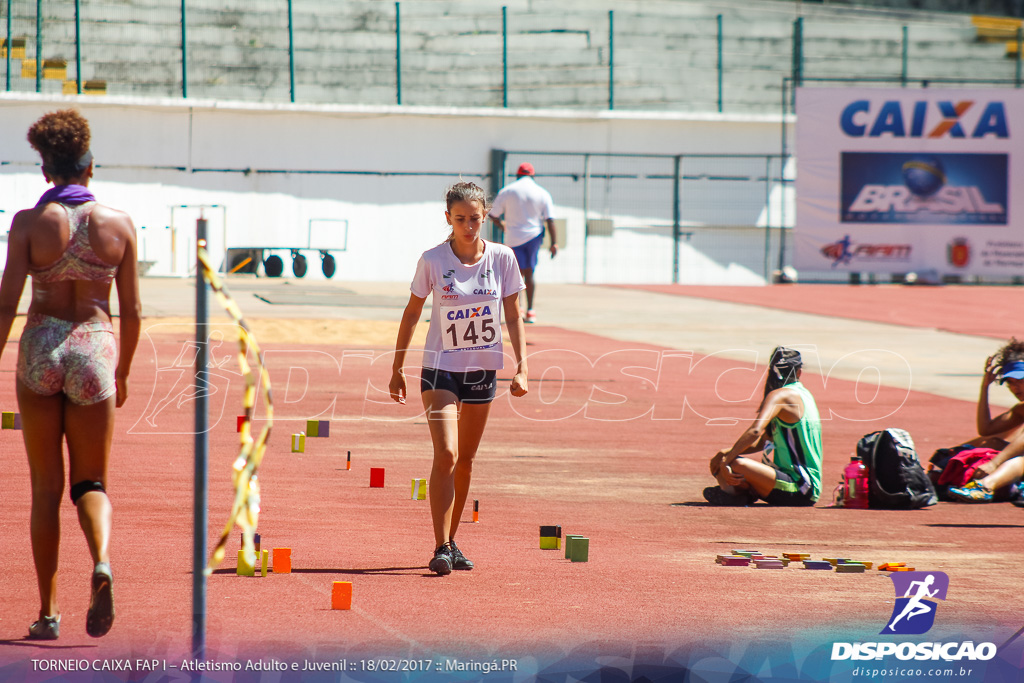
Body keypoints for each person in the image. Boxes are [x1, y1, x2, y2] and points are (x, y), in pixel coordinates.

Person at [0, 109, 141, 640]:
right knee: (91, 482)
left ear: (45, 171)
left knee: (44, 489)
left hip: (40, 347)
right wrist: (122, 370)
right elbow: (132, 309)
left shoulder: (29, 224)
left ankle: (48, 613)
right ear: (90, 166)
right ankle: (101, 559)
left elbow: (6, 304)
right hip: (95, 350)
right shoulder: (120, 224)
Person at [389, 181, 528, 575]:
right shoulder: (433, 260)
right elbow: (412, 312)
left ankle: (452, 541)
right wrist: (397, 367)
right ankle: (440, 545)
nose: (468, 226)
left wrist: (523, 366)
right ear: (448, 218)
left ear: (486, 217)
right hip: (439, 370)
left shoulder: (502, 258)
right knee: (447, 453)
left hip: (484, 370)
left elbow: (514, 314)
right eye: (460, 218)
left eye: (475, 219)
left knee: (466, 460)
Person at [704, 347, 823, 507]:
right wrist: (725, 454)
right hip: (800, 486)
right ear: (799, 372)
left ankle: (734, 493)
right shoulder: (803, 394)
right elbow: (762, 442)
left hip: (800, 487)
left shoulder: (781, 395)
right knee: (725, 458)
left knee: (736, 464)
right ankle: (740, 493)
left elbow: (755, 431)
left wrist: (727, 461)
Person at [945, 340, 1024, 503]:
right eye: (1011, 383)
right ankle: (943, 467)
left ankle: (985, 487)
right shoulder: (1020, 409)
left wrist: (994, 464)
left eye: (1021, 380)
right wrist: (985, 386)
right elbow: (986, 429)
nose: (1016, 388)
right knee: (991, 442)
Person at [488, 162, 557, 324]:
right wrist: (554, 243)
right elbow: (550, 220)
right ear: (533, 175)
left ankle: (517, 308)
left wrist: (502, 225)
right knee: (530, 273)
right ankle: (531, 310)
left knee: (515, 274)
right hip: (534, 237)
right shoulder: (542, 192)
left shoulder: (508, 191)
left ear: (518, 175)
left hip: (513, 236)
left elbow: (493, 214)